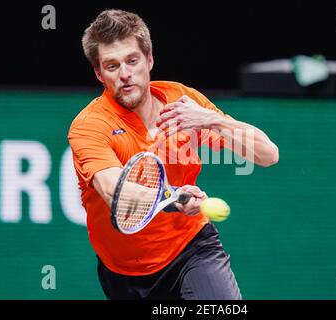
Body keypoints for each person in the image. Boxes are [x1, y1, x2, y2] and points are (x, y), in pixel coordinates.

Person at [68, 9, 279, 300]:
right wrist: (174, 197)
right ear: (99, 73)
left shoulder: (183, 102)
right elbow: (114, 190)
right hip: (124, 273)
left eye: (132, 60)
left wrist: (212, 120)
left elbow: (268, 154)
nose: (126, 74)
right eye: (112, 66)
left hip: (192, 249)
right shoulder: (90, 125)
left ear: (149, 59)